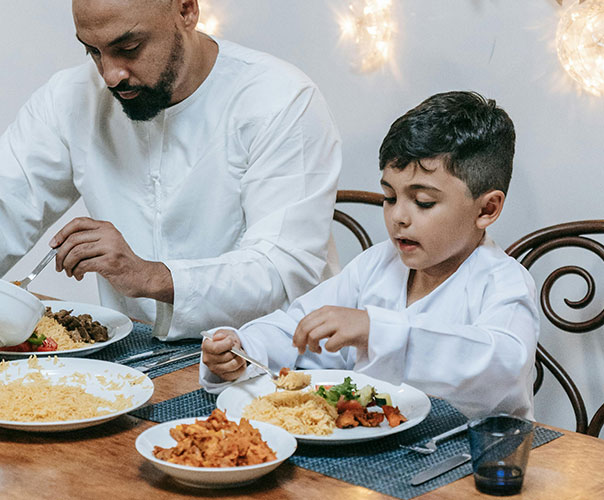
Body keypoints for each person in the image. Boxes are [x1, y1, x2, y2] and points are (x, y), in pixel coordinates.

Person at [0, 0, 342, 340]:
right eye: (93, 51)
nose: (110, 74)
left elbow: (282, 268)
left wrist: (149, 275)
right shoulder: (71, 97)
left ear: (186, 9)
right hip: (130, 361)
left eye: (128, 47)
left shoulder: (282, 100)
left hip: (271, 364)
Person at [201, 91, 540, 419]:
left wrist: (376, 329)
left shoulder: (504, 283)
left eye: (423, 202)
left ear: (487, 208)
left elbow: (503, 365)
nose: (398, 217)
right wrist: (245, 349)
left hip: (474, 462)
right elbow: (301, 328)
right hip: (376, 453)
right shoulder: (376, 266)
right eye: (390, 197)